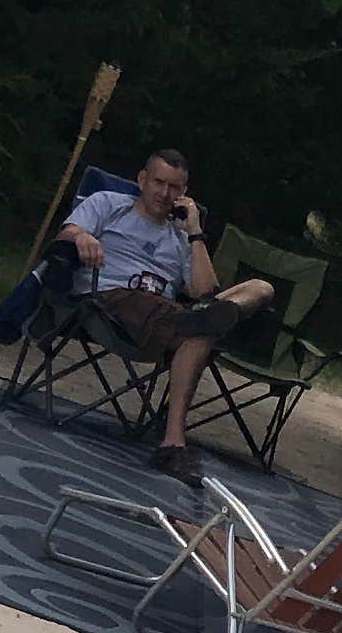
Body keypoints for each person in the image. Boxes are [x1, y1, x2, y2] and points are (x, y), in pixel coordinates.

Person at [55, 150, 278, 479]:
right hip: (110, 300)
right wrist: (82, 236)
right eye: (158, 182)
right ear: (142, 180)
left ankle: (173, 444)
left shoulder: (180, 235)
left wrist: (195, 232)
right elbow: (66, 233)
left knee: (261, 289)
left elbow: (205, 290)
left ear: (183, 193)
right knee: (198, 325)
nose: (164, 193)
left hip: (168, 315)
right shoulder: (108, 204)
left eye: (174, 187)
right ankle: (173, 441)